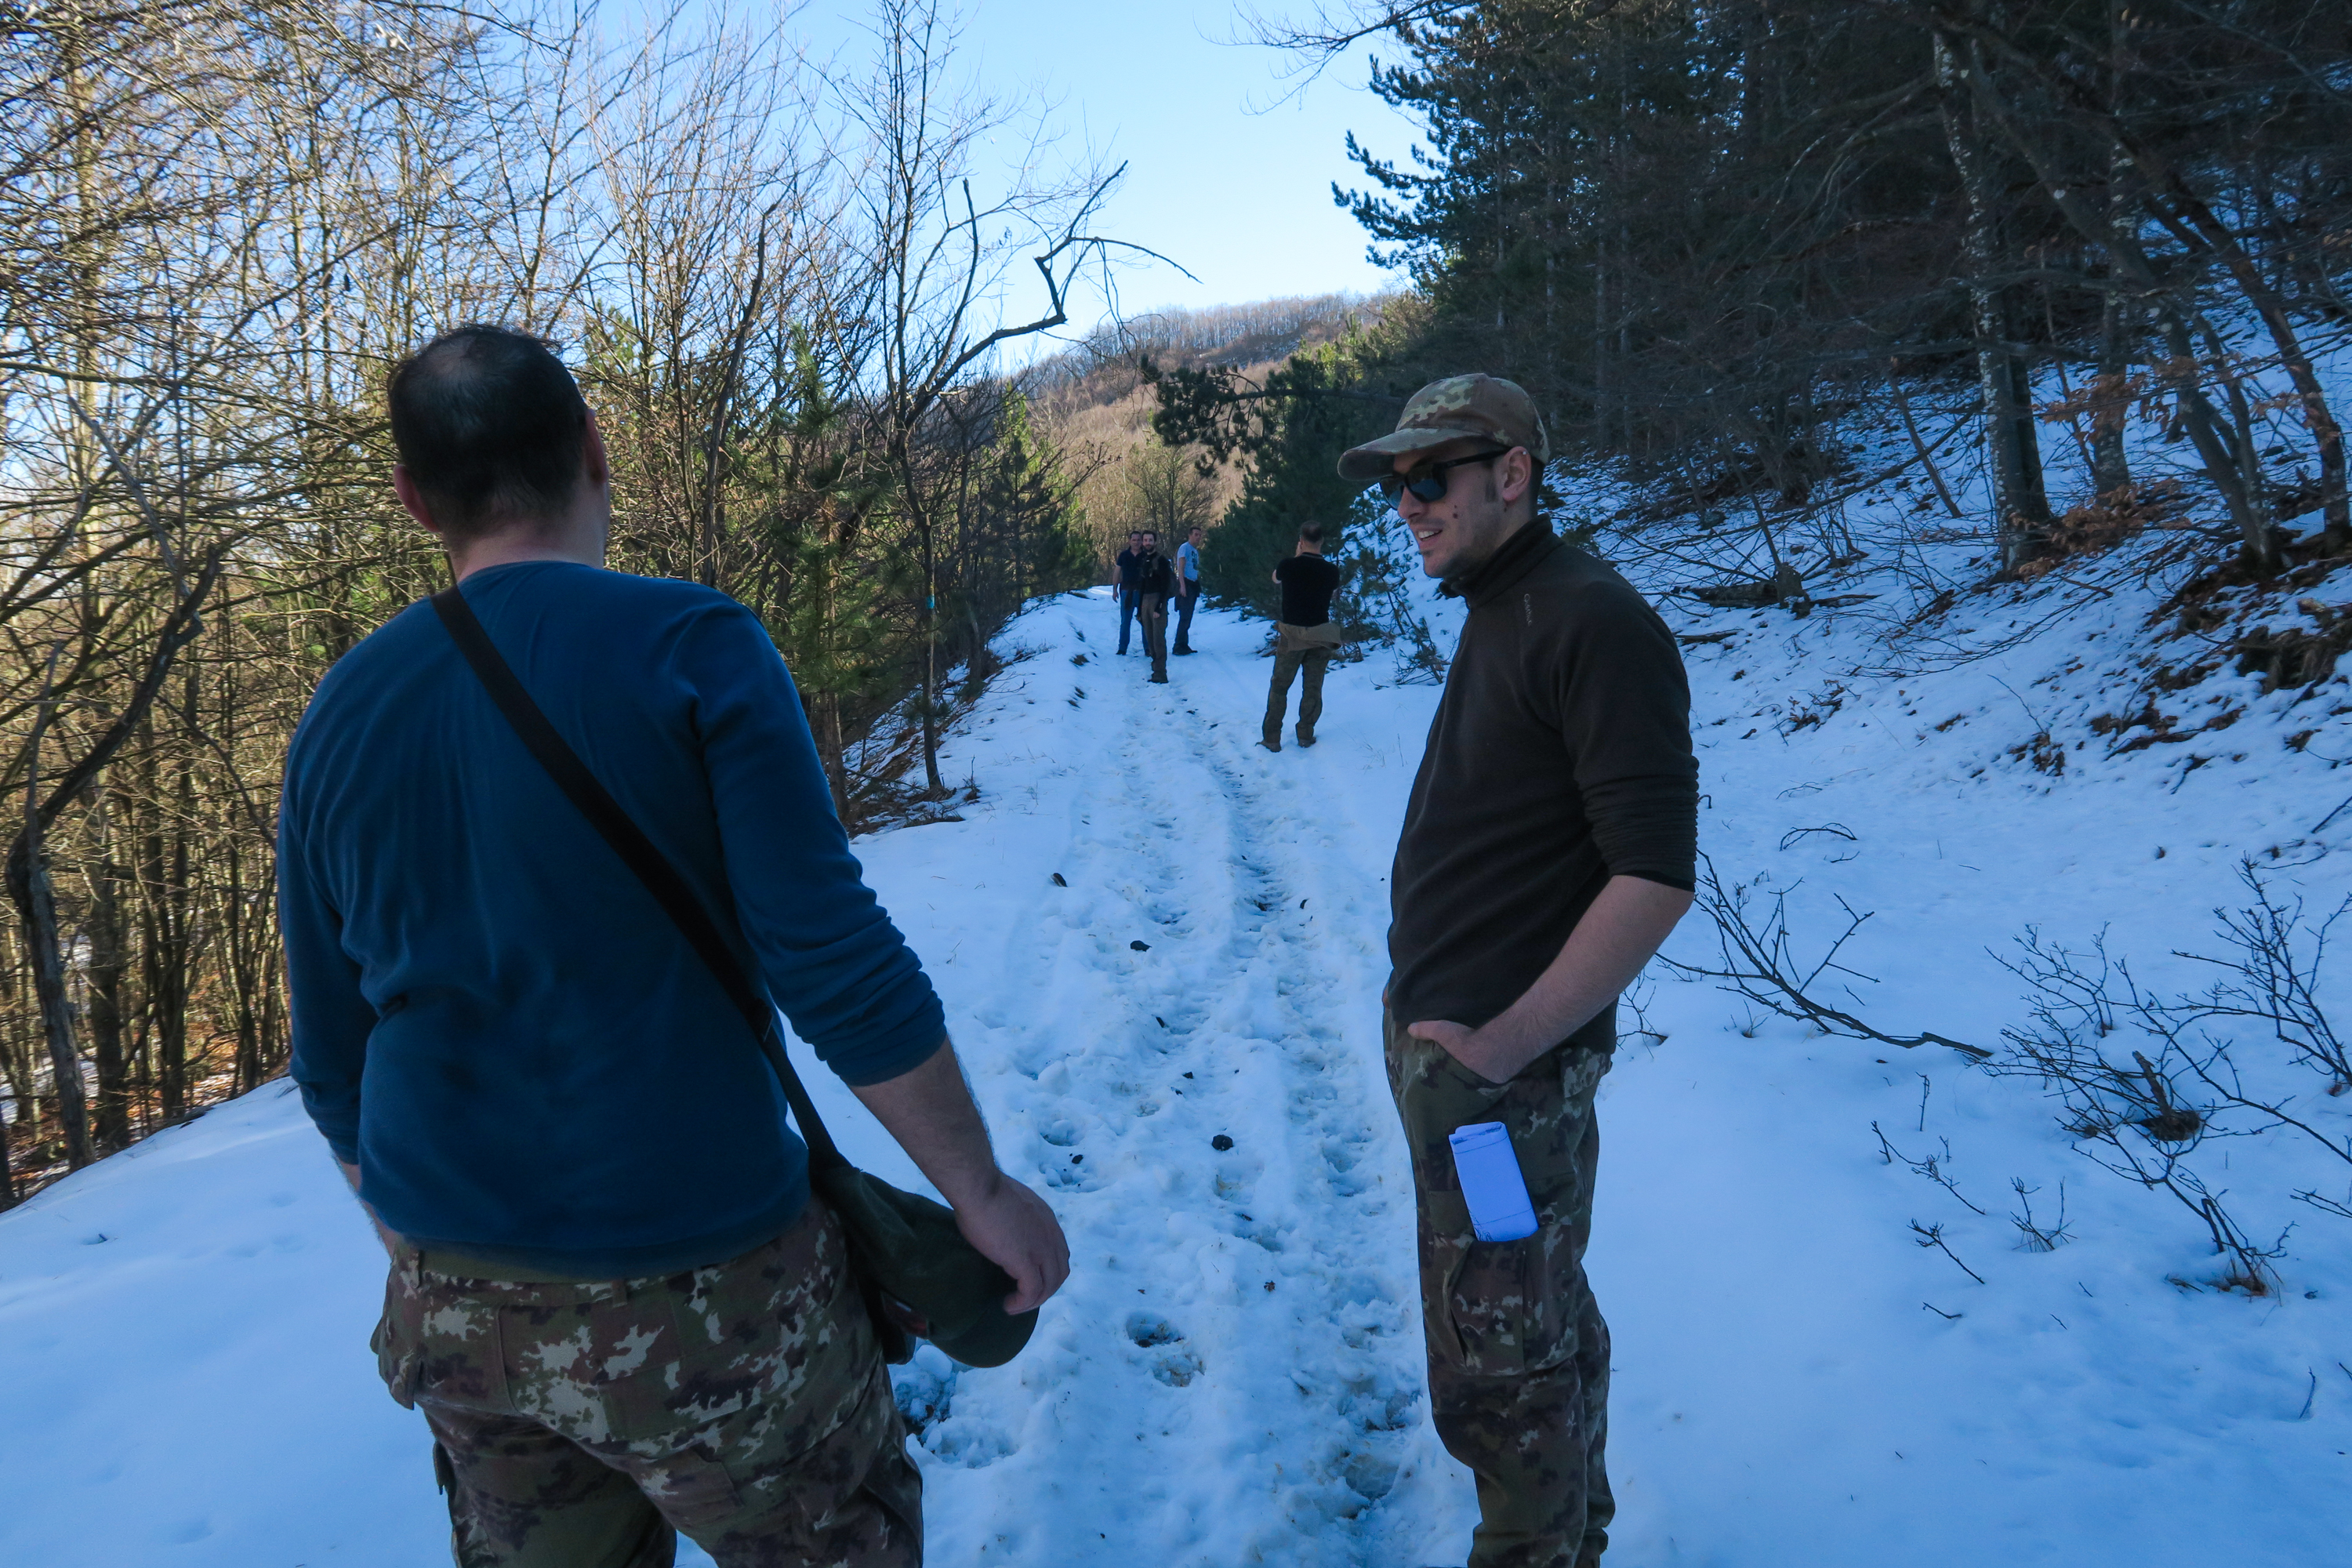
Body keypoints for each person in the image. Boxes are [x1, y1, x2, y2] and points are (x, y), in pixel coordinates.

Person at [280, 325, 1069, 1568]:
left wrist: (442, 1259)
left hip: (459, 1311)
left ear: (414, 500)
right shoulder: (691, 645)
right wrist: (979, 1191)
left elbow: (332, 1065)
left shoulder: (338, 714)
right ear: (596, 452)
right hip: (711, 1288)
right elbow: (829, 955)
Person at [1338, 374, 1696, 1568]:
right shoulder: (1509, 606)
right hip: (1465, 1071)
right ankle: (1573, 1539)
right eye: (1399, 484)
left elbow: (1654, 878)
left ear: (1512, 473)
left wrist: (1501, 1047)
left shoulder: (1593, 620)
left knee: (1500, 1368)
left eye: (1430, 476)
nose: (1408, 503)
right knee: (1538, 1316)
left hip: (1502, 1086)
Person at [1261, 522, 1342, 751]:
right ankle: (1306, 734)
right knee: (1313, 687)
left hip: (1293, 635)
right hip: (1320, 635)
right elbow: (1333, 593)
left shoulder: (1288, 565)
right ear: (1322, 541)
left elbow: (1275, 579)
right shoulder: (1331, 570)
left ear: (1301, 541)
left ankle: (1272, 738)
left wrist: (1297, 557)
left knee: (1280, 686)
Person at [1131, 528, 1177, 684]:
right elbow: (1142, 585)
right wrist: (1139, 610)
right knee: (1150, 639)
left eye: (1150, 540)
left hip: (1157, 601)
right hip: (1145, 602)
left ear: (1155, 542)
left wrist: (1159, 607)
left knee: (1158, 640)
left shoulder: (1162, 561)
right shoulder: (1144, 560)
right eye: (1145, 540)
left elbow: (1165, 586)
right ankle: (1155, 669)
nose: (1147, 543)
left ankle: (1161, 673)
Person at [1172, 524, 1205, 655]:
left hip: (1193, 584)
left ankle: (1184, 644)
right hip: (1186, 583)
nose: (1198, 537)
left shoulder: (1195, 551)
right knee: (1184, 617)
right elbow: (1181, 567)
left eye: (1200, 535)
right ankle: (1178, 646)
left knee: (1188, 616)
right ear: (1190, 535)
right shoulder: (1185, 548)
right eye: (1196, 535)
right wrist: (1182, 586)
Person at [1112, 529, 1145, 655]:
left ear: (1142, 541)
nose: (1136, 542)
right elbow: (1117, 573)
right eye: (1134, 540)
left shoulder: (1146, 555)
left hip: (1143, 592)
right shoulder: (1124, 555)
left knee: (1145, 621)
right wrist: (1115, 590)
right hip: (1127, 591)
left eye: (1138, 540)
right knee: (1125, 621)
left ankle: (1148, 648)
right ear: (1129, 541)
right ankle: (1122, 648)